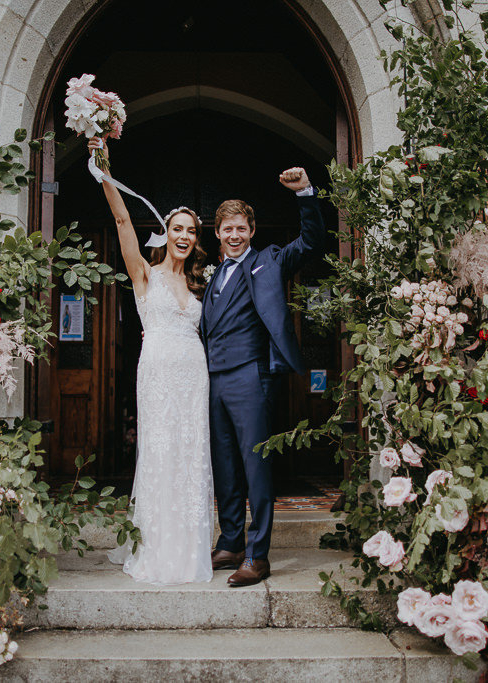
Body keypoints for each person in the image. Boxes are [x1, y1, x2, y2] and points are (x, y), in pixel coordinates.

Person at [89, 137, 214, 585]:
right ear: (166, 233)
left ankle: (192, 544)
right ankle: (158, 546)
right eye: (177, 228)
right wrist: (102, 163)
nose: (183, 236)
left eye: (191, 231)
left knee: (192, 452)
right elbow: (122, 219)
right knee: (161, 452)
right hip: (158, 369)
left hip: (194, 372)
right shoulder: (144, 273)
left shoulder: (202, 285)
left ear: (196, 240)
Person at [204, 169, 325, 587]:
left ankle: (258, 555)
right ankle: (232, 540)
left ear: (252, 230)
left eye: (241, 228)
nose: (234, 234)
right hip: (214, 379)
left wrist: (305, 194)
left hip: (252, 375)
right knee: (225, 465)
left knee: (256, 466)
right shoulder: (212, 276)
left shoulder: (269, 259)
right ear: (217, 233)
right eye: (227, 229)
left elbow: (311, 241)